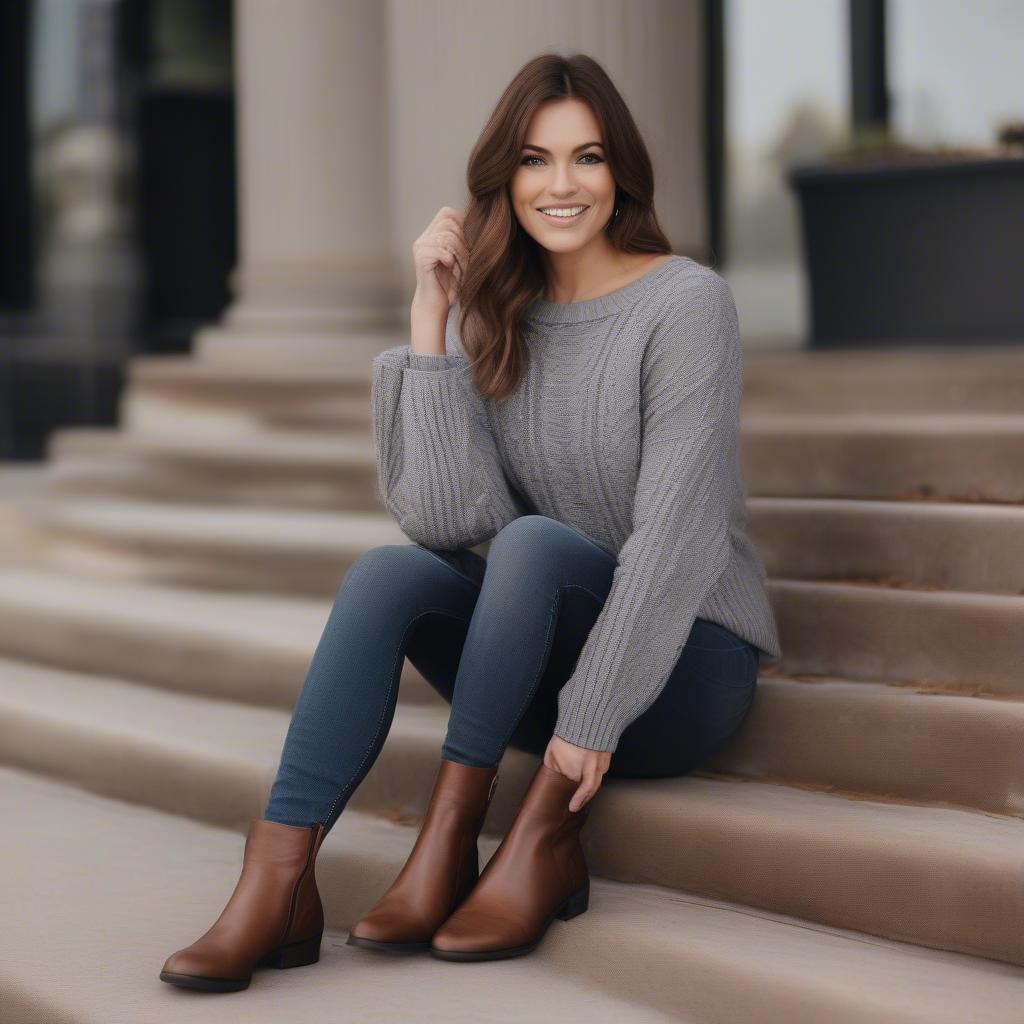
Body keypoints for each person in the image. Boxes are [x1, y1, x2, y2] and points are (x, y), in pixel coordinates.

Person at [160, 52, 781, 992]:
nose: (561, 185)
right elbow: (448, 523)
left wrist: (590, 720)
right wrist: (431, 326)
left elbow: (674, 543)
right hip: (544, 650)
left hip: (680, 672)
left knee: (536, 545)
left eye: (588, 158)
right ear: (505, 179)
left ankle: (475, 838)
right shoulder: (507, 312)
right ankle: (277, 882)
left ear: (622, 176)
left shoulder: (684, 304)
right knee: (388, 575)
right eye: (535, 160)